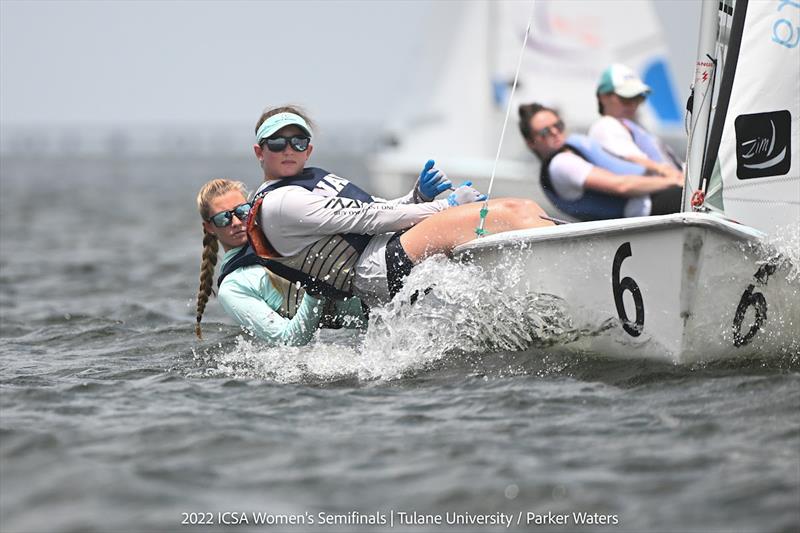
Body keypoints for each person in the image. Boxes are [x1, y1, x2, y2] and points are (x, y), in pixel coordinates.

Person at [245, 105, 554, 308]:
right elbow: (370, 219)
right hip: (376, 267)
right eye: (276, 143)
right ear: (260, 151)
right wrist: (444, 206)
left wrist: (417, 197)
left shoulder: (305, 182)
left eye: (298, 142)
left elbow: (375, 209)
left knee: (519, 212)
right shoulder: (282, 202)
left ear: (308, 149)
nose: (289, 149)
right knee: (513, 212)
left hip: (386, 250)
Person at [194, 178, 365, 345]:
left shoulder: (283, 233)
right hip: (373, 310)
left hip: (373, 266)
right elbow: (288, 338)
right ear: (209, 227)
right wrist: (314, 290)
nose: (237, 222)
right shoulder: (233, 287)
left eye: (242, 211)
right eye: (223, 218)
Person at [519, 102, 684, 222]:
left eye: (558, 125)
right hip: (645, 211)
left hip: (649, 203)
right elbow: (622, 185)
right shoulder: (561, 164)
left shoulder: (573, 150)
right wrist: (672, 181)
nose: (555, 132)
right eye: (545, 132)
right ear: (531, 142)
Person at [589, 63, 684, 214]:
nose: (633, 105)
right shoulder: (605, 125)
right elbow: (633, 158)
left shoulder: (635, 127)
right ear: (603, 97)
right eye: (626, 98)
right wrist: (671, 174)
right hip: (646, 202)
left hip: (666, 190)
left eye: (638, 98)